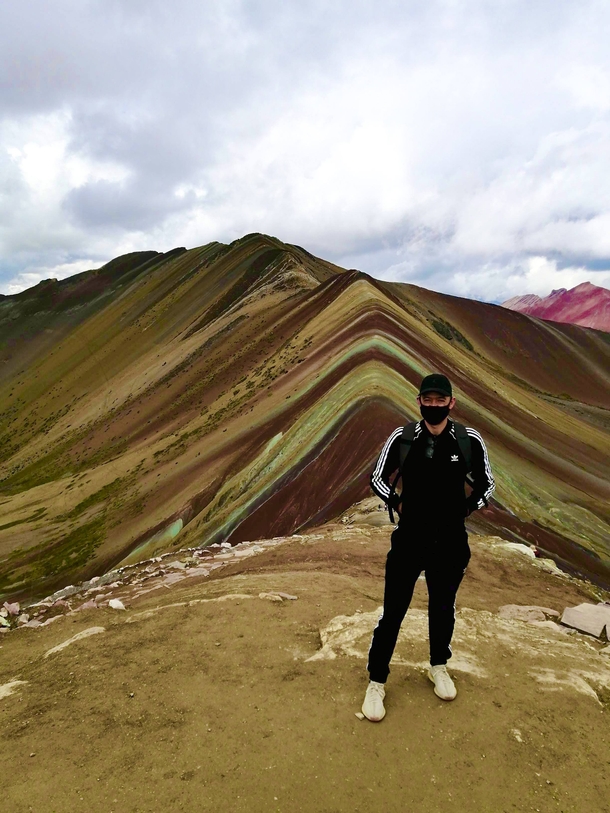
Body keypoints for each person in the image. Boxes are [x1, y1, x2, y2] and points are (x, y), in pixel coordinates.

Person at [362, 373, 495, 721]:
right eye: (428, 400)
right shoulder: (403, 438)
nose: (434, 406)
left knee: (443, 607)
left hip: (451, 540)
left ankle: (439, 665)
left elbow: (487, 485)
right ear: (419, 401)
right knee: (393, 611)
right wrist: (397, 502)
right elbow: (376, 476)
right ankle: (376, 680)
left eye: (440, 400)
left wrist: (465, 510)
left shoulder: (468, 440)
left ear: (452, 403)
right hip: (409, 539)